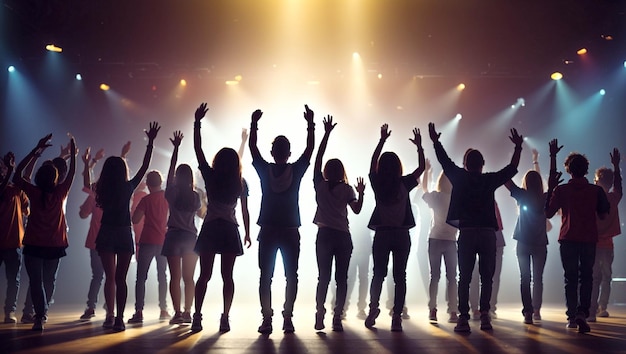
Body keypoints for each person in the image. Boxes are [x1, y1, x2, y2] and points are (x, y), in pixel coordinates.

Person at [428, 122, 523, 333]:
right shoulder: (488, 180)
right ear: (483, 164)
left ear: (466, 165)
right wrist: (518, 148)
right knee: (487, 277)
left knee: (465, 277)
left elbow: (444, 161)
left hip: (467, 233)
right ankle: (485, 316)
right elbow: (511, 169)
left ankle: (463, 318)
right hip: (488, 233)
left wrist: (436, 141)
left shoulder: (459, 178)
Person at [249, 104, 315, 334]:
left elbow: (253, 149)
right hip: (289, 229)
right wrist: (310, 125)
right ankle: (287, 317)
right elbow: (309, 151)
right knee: (291, 275)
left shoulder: (264, 170)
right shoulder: (295, 171)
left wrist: (254, 125)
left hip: (267, 229)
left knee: (265, 276)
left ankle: (267, 319)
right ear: (288, 153)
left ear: (273, 152)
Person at [191, 103, 251, 333]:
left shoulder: (211, 176)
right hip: (229, 230)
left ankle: (197, 316)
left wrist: (197, 123)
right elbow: (245, 210)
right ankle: (225, 316)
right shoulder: (240, 181)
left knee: (204, 275)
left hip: (211, 228)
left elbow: (198, 151)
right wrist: (247, 232)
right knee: (228, 277)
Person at [95, 122, 160, 332]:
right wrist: (150, 143)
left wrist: (90, 161)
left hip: (106, 231)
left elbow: (88, 181)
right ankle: (119, 319)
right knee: (121, 279)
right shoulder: (128, 186)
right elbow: (143, 168)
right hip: (123, 233)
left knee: (109, 278)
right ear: (123, 170)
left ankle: (109, 315)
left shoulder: (102, 187)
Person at [364, 124, 425, 332]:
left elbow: (372, 165)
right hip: (401, 235)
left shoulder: (377, 182)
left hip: (382, 234)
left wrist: (381, 140)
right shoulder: (405, 183)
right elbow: (421, 169)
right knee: (400, 276)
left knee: (378, 274)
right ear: (398, 167)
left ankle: (373, 309)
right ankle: (397, 316)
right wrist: (419, 147)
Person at [545, 139, 610, 333]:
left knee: (570, 278)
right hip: (589, 238)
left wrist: (551, 187)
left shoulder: (561, 189)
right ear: (587, 169)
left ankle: (572, 316)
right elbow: (604, 213)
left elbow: (547, 213)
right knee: (587, 277)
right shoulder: (596, 190)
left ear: (568, 170)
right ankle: (583, 312)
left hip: (568, 238)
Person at [13, 134, 77, 331]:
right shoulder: (60, 193)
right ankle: (42, 314)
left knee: (36, 281)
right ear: (57, 178)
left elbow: (17, 174)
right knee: (48, 280)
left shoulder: (34, 192)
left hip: (34, 244)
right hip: (55, 245)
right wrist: (73, 152)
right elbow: (73, 172)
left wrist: (36, 150)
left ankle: (39, 316)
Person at [312, 115, 365, 332]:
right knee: (341, 278)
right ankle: (337, 316)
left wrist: (325, 134)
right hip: (343, 236)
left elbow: (317, 158)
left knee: (323, 276)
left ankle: (319, 314)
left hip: (324, 235)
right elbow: (357, 210)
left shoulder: (320, 186)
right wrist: (361, 194)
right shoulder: (348, 189)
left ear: (326, 171)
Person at [504, 149, 549, 324]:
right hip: (540, 243)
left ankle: (528, 312)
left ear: (526, 183)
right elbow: (549, 187)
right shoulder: (545, 197)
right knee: (538, 278)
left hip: (523, 242)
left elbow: (506, 181)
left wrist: (512, 157)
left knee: (525, 278)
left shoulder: (522, 195)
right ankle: (536, 310)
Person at [162, 131, 201, 326]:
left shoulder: (172, 192)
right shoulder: (195, 196)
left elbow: (168, 175)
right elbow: (201, 212)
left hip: (173, 236)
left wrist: (175, 149)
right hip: (190, 238)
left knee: (174, 277)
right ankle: (188, 312)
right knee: (189, 278)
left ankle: (177, 312)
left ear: (177, 176)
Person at [127, 170, 170, 324]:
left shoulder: (146, 199)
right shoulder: (167, 197)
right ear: (161, 181)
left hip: (147, 240)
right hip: (163, 240)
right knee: (162, 276)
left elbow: (135, 219)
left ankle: (139, 311)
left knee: (141, 277)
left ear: (147, 183)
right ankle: (164, 309)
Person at [422, 159, 459, 323]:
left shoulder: (436, 197)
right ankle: (453, 311)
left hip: (435, 238)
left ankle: (432, 310)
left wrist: (427, 171)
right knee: (452, 277)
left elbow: (424, 189)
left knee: (434, 276)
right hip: (451, 240)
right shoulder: (456, 198)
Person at [589, 148, 622, 322]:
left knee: (593, 278)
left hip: (593, 243)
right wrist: (616, 167)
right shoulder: (613, 198)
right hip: (608, 245)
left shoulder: (591, 197)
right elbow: (619, 187)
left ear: (596, 180)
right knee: (606, 278)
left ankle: (592, 310)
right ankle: (602, 307)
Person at [0, 153, 29, 324]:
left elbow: (26, 210)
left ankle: (9, 311)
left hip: (13, 243)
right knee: (13, 279)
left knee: (14, 280)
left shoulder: (16, 189)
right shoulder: (6, 188)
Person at [78, 147, 106, 320]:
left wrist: (89, 163)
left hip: (96, 241)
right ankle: (111, 307)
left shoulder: (95, 195)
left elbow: (82, 214)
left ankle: (91, 307)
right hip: (113, 240)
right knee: (113, 275)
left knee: (97, 275)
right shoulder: (120, 193)